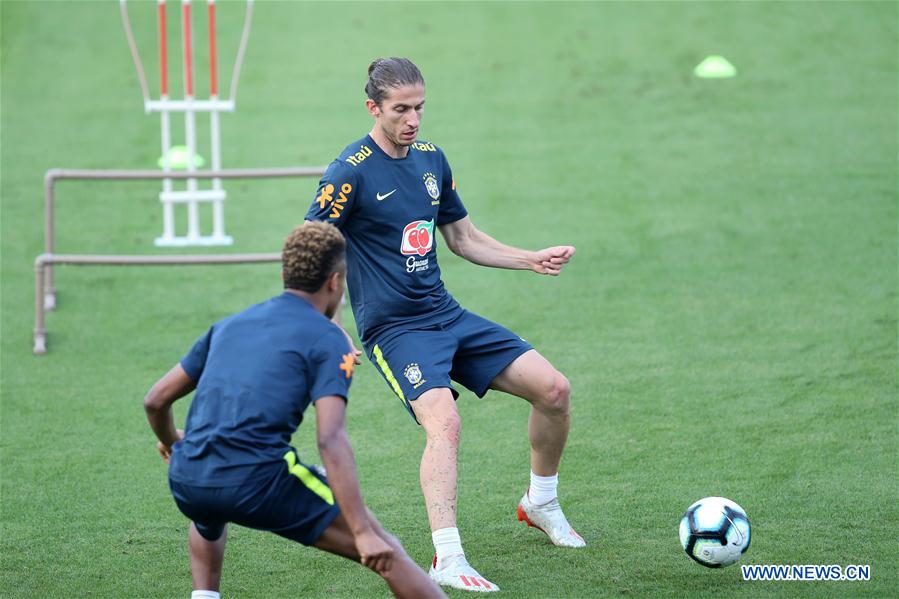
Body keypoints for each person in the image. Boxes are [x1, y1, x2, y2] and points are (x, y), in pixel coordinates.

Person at [305, 58, 584, 593]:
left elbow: (463, 238)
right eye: (401, 110)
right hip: (395, 331)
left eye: (420, 107)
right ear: (374, 108)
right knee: (446, 423)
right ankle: (447, 558)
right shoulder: (349, 171)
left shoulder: (432, 159)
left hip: (446, 314)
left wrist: (531, 259)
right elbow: (313, 252)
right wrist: (326, 327)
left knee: (554, 390)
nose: (413, 120)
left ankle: (541, 502)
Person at [143, 221, 446, 599]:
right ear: (335, 282)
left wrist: (172, 441)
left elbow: (155, 400)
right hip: (258, 482)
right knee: (389, 554)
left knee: (209, 509)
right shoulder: (329, 340)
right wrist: (363, 532)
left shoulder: (229, 325)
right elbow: (331, 438)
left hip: (189, 478)